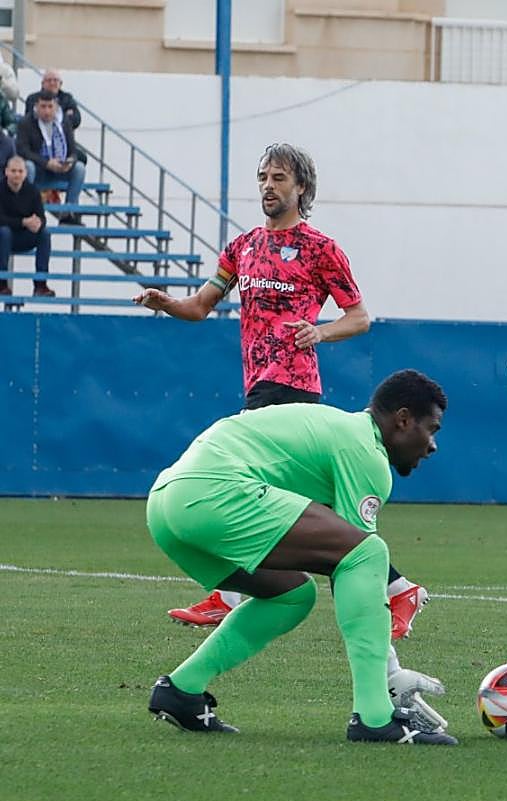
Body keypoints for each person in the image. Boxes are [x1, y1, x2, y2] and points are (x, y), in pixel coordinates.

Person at [133, 143, 426, 645]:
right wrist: (166, 304)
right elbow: (202, 305)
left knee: (248, 489)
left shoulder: (320, 249)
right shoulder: (242, 246)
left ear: (302, 189)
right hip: (257, 381)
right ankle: (400, 588)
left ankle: (228, 595)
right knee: (317, 515)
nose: (269, 186)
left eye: (279, 179)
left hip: (291, 387)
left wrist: (320, 331)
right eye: (264, 177)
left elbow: (359, 318)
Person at [146, 370, 457, 745]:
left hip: (166, 505)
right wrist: (390, 675)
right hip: (212, 494)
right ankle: (375, 719)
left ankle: (181, 689)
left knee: (291, 595)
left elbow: (346, 562)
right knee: (368, 552)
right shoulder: (365, 452)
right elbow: (358, 562)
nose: (433, 445)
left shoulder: (341, 430)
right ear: (403, 419)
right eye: (432, 429)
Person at [16, 91, 85, 217]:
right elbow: (23, 151)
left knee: (79, 168)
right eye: (43, 107)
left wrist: (69, 161)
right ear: (36, 106)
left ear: (56, 107)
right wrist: (46, 163)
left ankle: (70, 211)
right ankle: (26, 208)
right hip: (39, 169)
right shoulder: (25, 123)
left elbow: (73, 151)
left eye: (50, 107)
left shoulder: (64, 123)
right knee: (28, 166)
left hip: (60, 168)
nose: (47, 111)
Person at [0, 156, 53, 298]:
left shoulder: (32, 191)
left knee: (45, 233)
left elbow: (42, 217)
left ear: (25, 173)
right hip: (3, 238)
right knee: (4, 232)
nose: (16, 174)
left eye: (20, 171)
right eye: (13, 171)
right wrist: (23, 222)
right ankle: (2, 283)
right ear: (6, 172)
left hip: (24, 237)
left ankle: (40, 285)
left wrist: (38, 223)